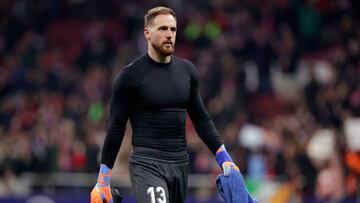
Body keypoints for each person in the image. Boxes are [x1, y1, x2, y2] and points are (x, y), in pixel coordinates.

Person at [90, 6, 242, 203]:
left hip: (180, 164)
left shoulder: (187, 71)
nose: (169, 34)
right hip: (147, 163)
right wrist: (103, 180)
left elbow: (201, 118)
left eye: (173, 29)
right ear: (147, 33)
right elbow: (115, 128)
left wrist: (225, 158)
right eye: (162, 29)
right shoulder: (130, 76)